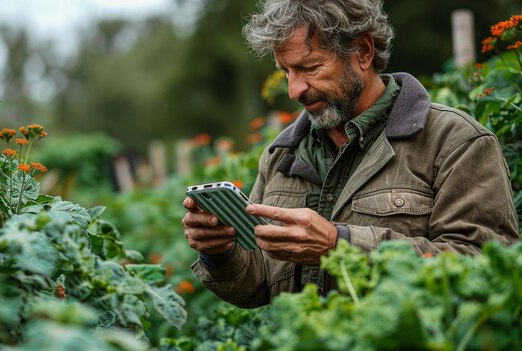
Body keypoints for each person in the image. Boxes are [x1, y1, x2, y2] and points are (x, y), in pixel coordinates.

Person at [181, 0, 519, 308]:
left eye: (310, 67)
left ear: (363, 52)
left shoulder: (455, 142)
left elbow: (486, 267)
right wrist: (219, 252)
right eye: (286, 71)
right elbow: (255, 286)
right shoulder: (281, 155)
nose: (294, 89)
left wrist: (340, 245)